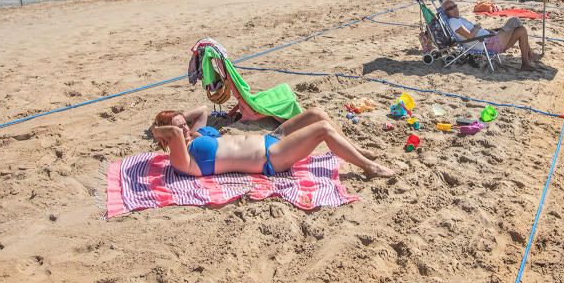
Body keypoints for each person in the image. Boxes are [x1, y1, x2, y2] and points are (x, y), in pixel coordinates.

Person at [151, 105, 393, 179]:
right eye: (177, 127)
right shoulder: (182, 159)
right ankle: (369, 168)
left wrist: (182, 122)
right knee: (322, 130)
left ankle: (355, 149)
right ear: (166, 134)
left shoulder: (196, 135)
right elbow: (173, 135)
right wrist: (159, 129)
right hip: (270, 157)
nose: (183, 128)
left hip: (270, 139)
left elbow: (202, 110)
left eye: (184, 124)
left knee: (317, 113)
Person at [441, 0, 540, 71]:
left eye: (455, 6)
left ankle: (527, 60)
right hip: (488, 44)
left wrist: (488, 31)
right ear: (446, 12)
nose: (454, 9)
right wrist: (477, 28)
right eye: (450, 8)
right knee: (516, 23)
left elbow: (473, 32)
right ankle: (528, 58)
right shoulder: (453, 22)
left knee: (519, 27)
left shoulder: (459, 19)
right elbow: (470, 36)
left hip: (490, 38)